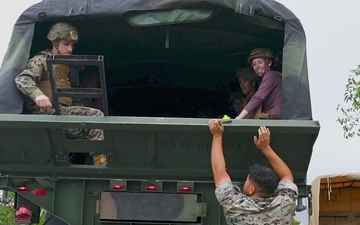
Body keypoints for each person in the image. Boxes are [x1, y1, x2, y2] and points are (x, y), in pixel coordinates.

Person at [14, 22, 107, 166]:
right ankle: (101, 165)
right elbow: (22, 79)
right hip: (46, 113)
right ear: (55, 43)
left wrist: (81, 106)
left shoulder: (64, 66)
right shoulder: (42, 60)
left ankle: (96, 162)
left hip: (61, 113)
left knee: (97, 122)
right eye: (66, 44)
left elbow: (69, 95)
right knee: (96, 116)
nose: (70, 49)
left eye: (72, 45)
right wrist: (38, 95)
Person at [208, 119, 298, 224]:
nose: (245, 182)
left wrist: (217, 136)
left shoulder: (236, 206)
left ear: (252, 189)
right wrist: (266, 148)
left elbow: (219, 171)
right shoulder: (285, 204)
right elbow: (286, 176)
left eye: (247, 180)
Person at [235, 48, 281, 119]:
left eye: (260, 62)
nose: (257, 66)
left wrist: (239, 118)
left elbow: (258, 98)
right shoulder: (266, 79)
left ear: (269, 63)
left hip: (275, 120)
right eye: (254, 64)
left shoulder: (271, 75)